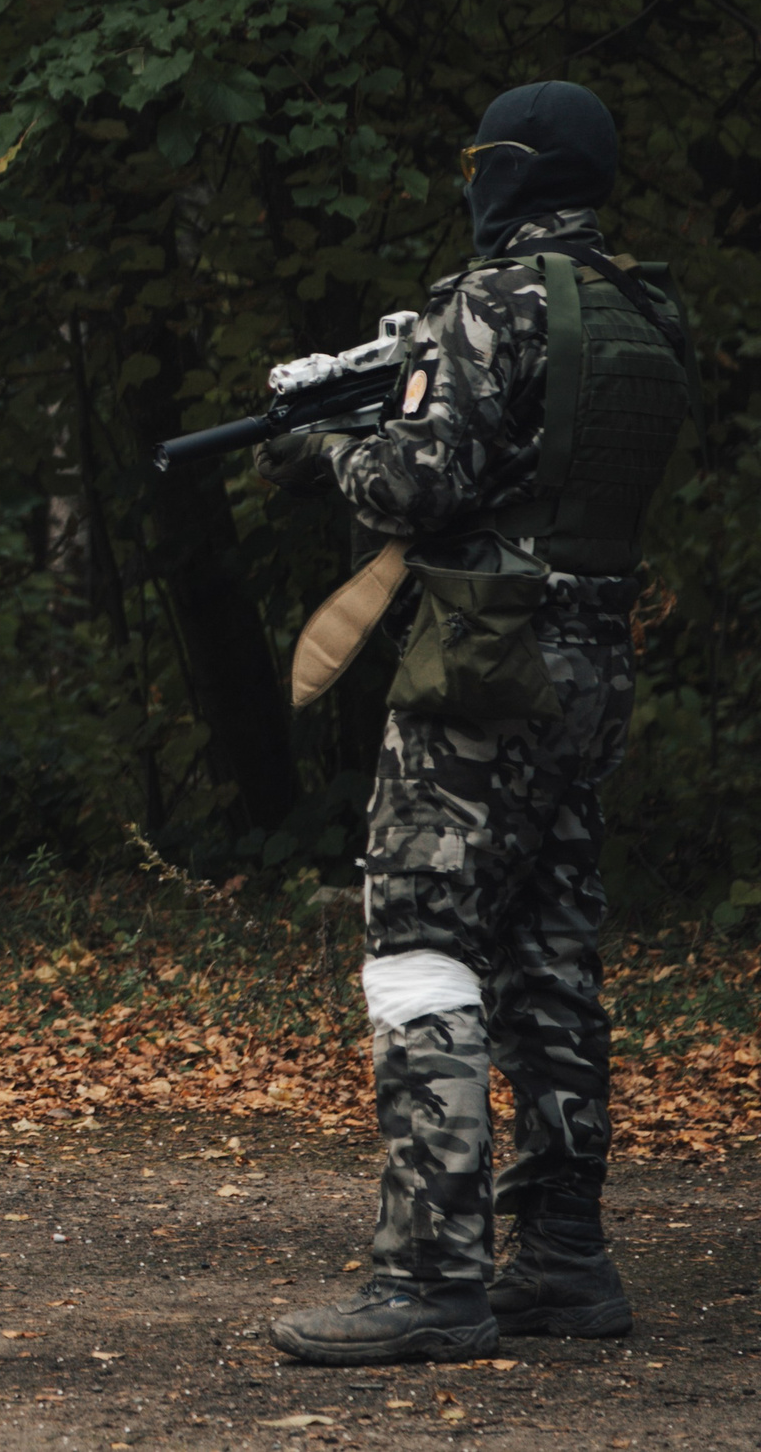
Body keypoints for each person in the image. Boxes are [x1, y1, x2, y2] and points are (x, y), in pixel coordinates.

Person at [259, 81, 696, 1365]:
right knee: (552, 951)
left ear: (501, 171)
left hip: (482, 664)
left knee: (420, 941)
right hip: (594, 661)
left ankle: (429, 1277)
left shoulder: (486, 304)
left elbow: (413, 482)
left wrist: (330, 447)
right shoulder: (644, 310)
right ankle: (563, 1260)